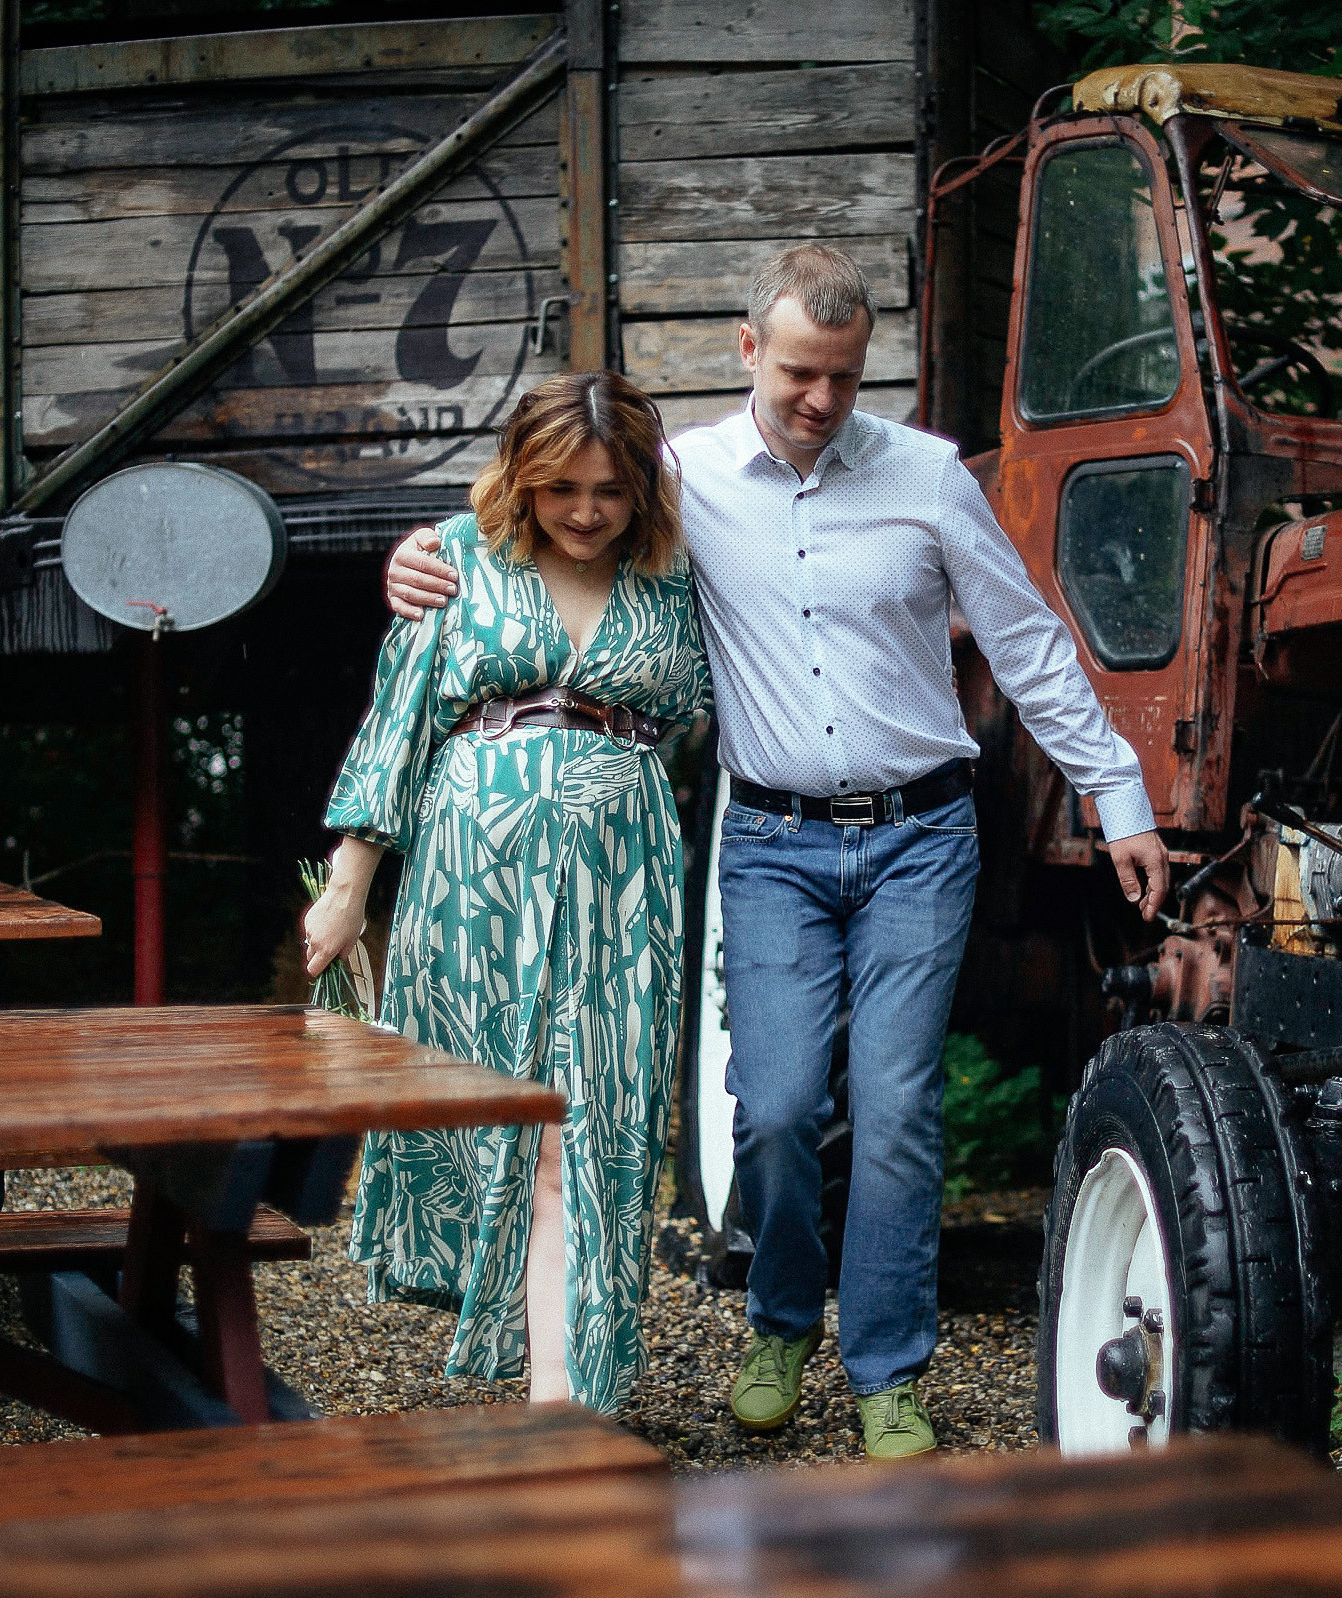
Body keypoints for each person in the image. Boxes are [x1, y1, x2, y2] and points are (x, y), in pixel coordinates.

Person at [384, 244, 1169, 1458]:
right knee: (778, 1108)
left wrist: (1118, 797)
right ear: (747, 351)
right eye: (800, 371)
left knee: (900, 1104)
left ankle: (887, 1365)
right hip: (768, 841)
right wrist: (419, 554)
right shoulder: (676, 476)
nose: (821, 399)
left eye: (846, 378)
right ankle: (781, 1316)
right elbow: (549, 502)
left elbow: (1024, 643)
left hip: (919, 833)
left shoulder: (926, 476)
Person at [306, 369, 708, 1414]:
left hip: (625, 881)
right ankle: (555, 1387)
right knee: (508, 1125)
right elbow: (396, 725)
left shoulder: (675, 576)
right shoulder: (456, 557)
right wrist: (349, 887)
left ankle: (565, 1397)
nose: (584, 511)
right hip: (471, 883)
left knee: (598, 1124)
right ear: (521, 477)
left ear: (642, 491)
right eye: (560, 487)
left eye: (609, 491)